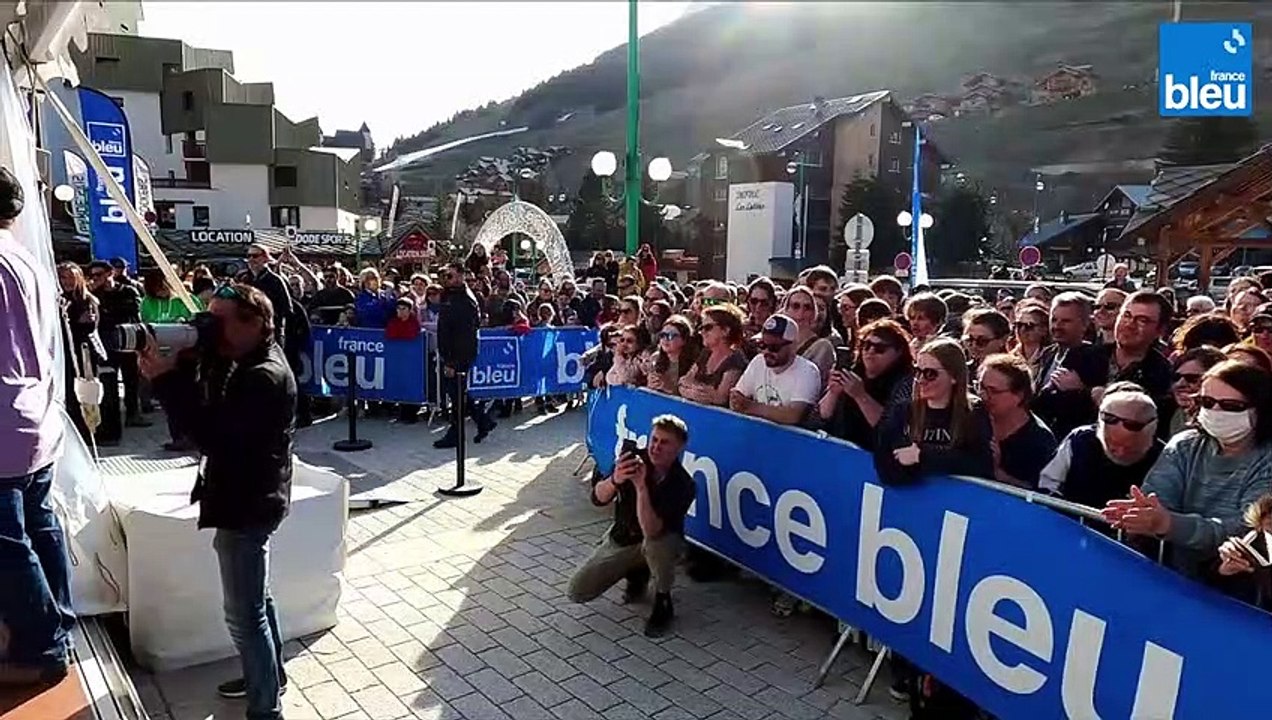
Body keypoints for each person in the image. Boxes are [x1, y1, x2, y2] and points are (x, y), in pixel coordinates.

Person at [141, 283, 294, 719]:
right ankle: (270, 675)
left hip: (246, 502)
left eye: (219, 320)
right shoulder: (244, 359)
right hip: (248, 495)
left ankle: (265, 709)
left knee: (244, 617)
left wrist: (167, 380)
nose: (209, 329)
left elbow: (212, 435)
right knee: (257, 601)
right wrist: (189, 362)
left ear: (256, 323)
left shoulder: (262, 375)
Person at [0, 165, 74, 686]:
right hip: (35, 416)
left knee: (8, 542)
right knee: (41, 528)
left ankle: (44, 646)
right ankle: (59, 627)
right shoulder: (27, 260)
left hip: (4, 422)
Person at [1105, 360, 1272, 584]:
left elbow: (1246, 529)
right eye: (1207, 402)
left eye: (1231, 406)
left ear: (1260, 408)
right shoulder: (1185, 445)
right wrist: (1146, 516)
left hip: (1238, 594)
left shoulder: (1267, 459)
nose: (1216, 411)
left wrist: (1169, 525)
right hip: (1172, 581)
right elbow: (1158, 500)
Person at [566, 415, 696, 638]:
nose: (656, 447)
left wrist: (641, 488)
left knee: (658, 544)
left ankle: (663, 601)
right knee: (577, 591)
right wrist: (615, 479)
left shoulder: (683, 484)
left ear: (679, 448)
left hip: (657, 541)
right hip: (623, 536)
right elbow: (597, 498)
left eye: (665, 443)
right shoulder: (634, 460)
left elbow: (652, 530)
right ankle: (637, 570)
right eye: (654, 440)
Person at [434, 262, 496, 448]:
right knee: (458, 393)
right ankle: (483, 421)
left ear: (461, 276)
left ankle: (456, 433)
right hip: (450, 352)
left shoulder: (465, 300)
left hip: (459, 354)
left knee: (457, 395)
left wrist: (452, 362)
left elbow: (464, 335)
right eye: (445, 276)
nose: (447, 279)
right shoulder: (450, 295)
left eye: (451, 276)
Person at [729, 314, 822, 426]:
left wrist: (750, 406)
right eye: (762, 345)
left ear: (793, 346)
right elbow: (738, 397)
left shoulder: (807, 371)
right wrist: (736, 400)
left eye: (774, 347)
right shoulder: (758, 361)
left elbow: (793, 415)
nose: (767, 352)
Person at [240, 245, 291, 344]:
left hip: (270, 334)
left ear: (265, 258)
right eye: (248, 256)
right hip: (247, 334)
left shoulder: (276, 281)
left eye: (255, 256)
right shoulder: (243, 279)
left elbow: (286, 309)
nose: (251, 259)